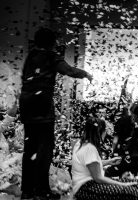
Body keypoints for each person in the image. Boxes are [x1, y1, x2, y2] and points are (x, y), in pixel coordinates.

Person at [19, 28, 93, 200]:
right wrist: (87, 74)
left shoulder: (31, 56)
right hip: (42, 107)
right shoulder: (51, 56)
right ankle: (41, 191)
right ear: (51, 42)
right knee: (44, 151)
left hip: (27, 106)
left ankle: (27, 191)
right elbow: (68, 70)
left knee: (30, 149)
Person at [72, 117, 138, 200]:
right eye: (105, 130)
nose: (106, 133)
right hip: (86, 188)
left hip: (88, 183)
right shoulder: (89, 148)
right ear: (99, 132)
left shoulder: (80, 143)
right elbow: (98, 178)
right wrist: (121, 184)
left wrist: (109, 162)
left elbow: (90, 164)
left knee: (136, 183)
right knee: (128, 191)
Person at [112, 101, 138, 176]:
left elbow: (115, 141)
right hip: (136, 158)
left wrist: (113, 152)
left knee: (120, 181)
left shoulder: (121, 120)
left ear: (131, 109)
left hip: (121, 155)